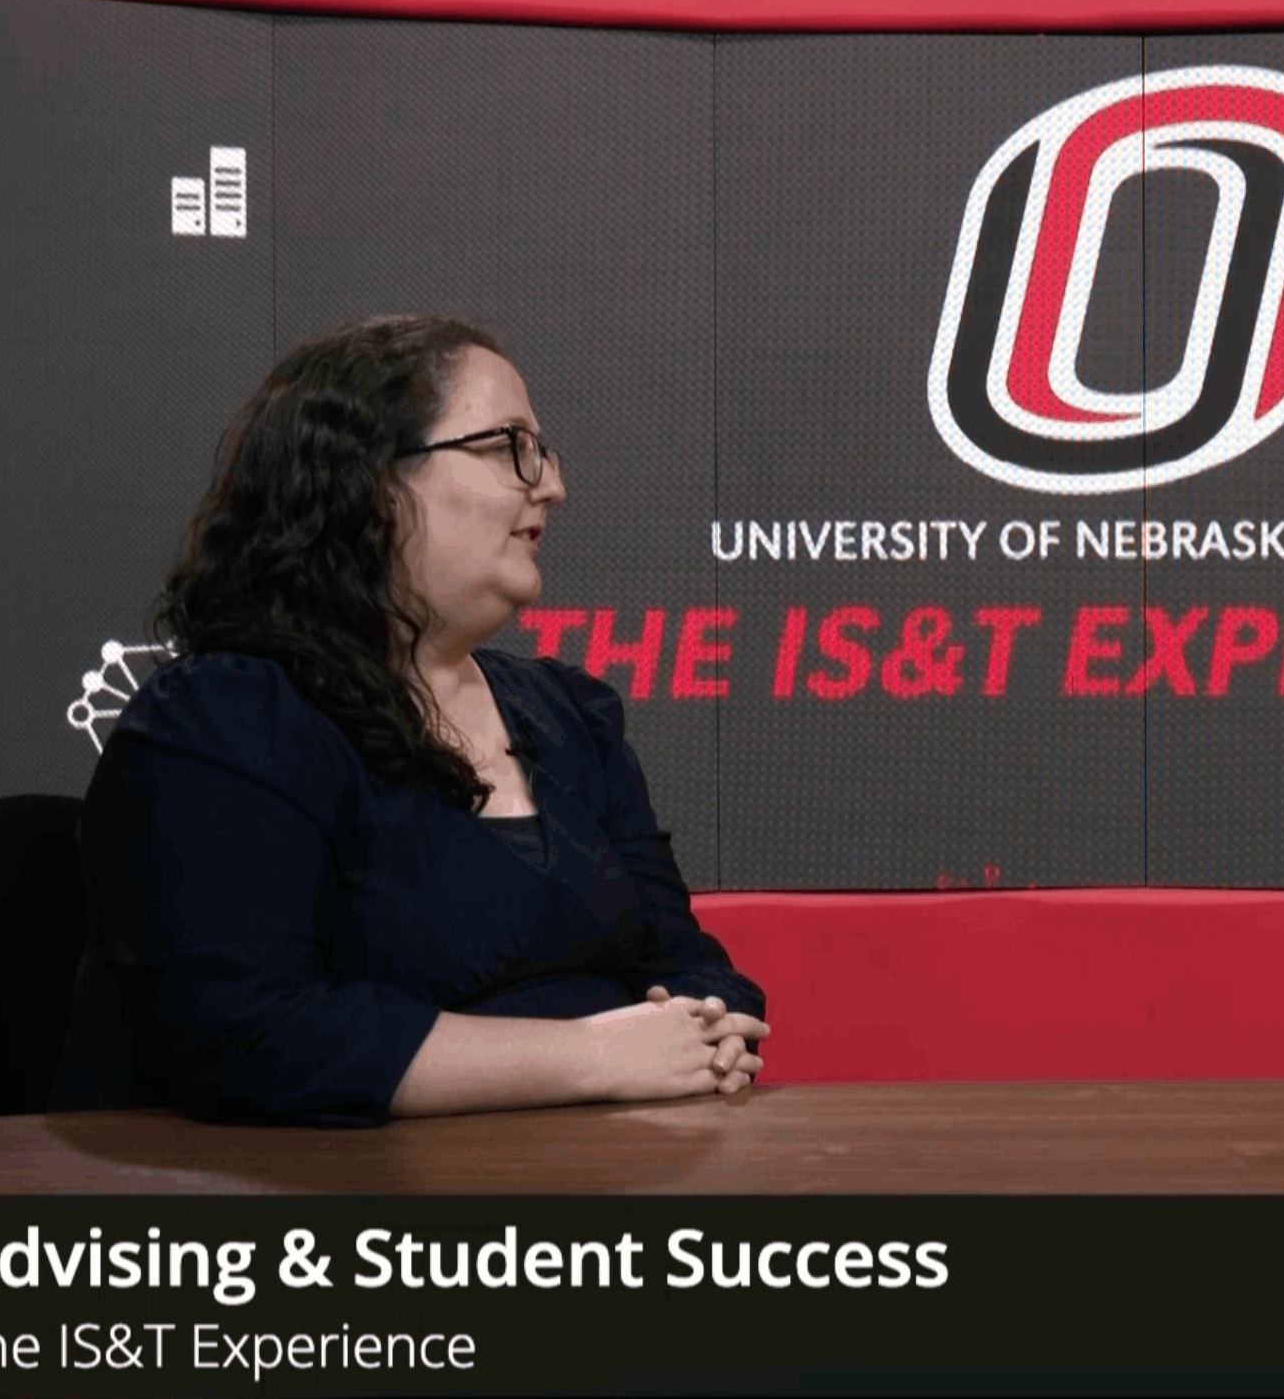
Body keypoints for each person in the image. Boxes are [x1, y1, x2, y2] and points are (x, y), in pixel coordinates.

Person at [55, 316, 766, 1125]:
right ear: (372, 482)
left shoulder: (573, 715)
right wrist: (599, 1058)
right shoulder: (226, 722)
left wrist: (707, 1032)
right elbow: (249, 1036)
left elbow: (692, 965)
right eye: (509, 447)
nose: (552, 486)